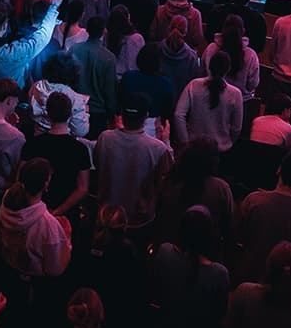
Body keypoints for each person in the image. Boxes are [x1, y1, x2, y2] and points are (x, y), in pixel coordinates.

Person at [236, 151, 291, 283]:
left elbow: (237, 236)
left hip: (248, 278)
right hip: (287, 288)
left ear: (279, 170)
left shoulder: (253, 200)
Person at [95, 95, 173, 231]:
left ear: (121, 115)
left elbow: (98, 166)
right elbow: (168, 182)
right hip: (140, 220)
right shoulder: (158, 148)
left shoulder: (104, 139)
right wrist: (166, 141)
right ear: (146, 117)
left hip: (106, 217)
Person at [176, 51, 245, 151]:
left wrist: (185, 141)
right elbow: (236, 128)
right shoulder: (235, 94)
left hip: (194, 146)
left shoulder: (194, 85)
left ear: (209, 66)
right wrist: (227, 142)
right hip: (220, 148)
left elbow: (178, 114)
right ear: (228, 69)